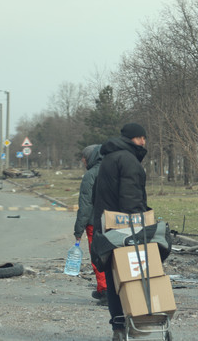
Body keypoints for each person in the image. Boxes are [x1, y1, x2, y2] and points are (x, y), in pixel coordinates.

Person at [93, 123, 149, 341]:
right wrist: (139, 226)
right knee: (133, 276)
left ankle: (117, 326)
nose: (144, 142)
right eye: (140, 138)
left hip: (106, 228)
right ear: (131, 139)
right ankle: (137, 322)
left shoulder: (108, 158)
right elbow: (131, 198)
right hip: (125, 229)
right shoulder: (127, 160)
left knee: (113, 277)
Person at [73, 144, 106, 304]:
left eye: (84, 159)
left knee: (97, 257)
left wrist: (78, 230)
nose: (83, 161)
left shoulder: (90, 175)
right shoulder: (112, 171)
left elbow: (85, 205)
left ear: (91, 158)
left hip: (95, 223)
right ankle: (109, 290)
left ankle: (104, 290)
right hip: (115, 221)